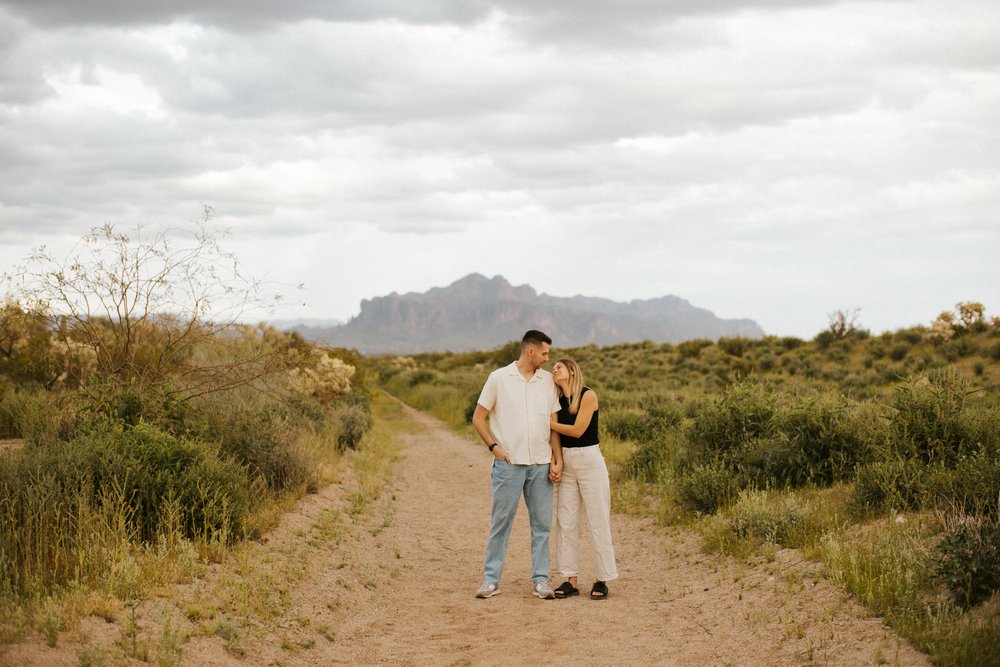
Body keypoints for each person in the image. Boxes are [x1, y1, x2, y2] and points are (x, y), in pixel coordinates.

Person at [472, 330, 563, 600]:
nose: (548, 359)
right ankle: (490, 580)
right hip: (509, 463)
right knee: (501, 522)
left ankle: (541, 580)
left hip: (541, 463)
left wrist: (557, 458)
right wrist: (494, 447)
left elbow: (553, 423)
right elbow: (478, 418)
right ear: (530, 351)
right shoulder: (498, 378)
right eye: (545, 353)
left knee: (542, 525)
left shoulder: (548, 382)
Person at [549, 358, 618, 600]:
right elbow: (554, 436)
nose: (554, 369)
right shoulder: (555, 401)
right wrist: (556, 461)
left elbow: (578, 430)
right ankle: (571, 579)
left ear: (571, 371)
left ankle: (602, 579)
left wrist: (548, 423)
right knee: (566, 521)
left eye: (559, 366)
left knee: (597, 519)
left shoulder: (588, 396)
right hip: (566, 460)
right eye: (553, 367)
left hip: (589, 460)